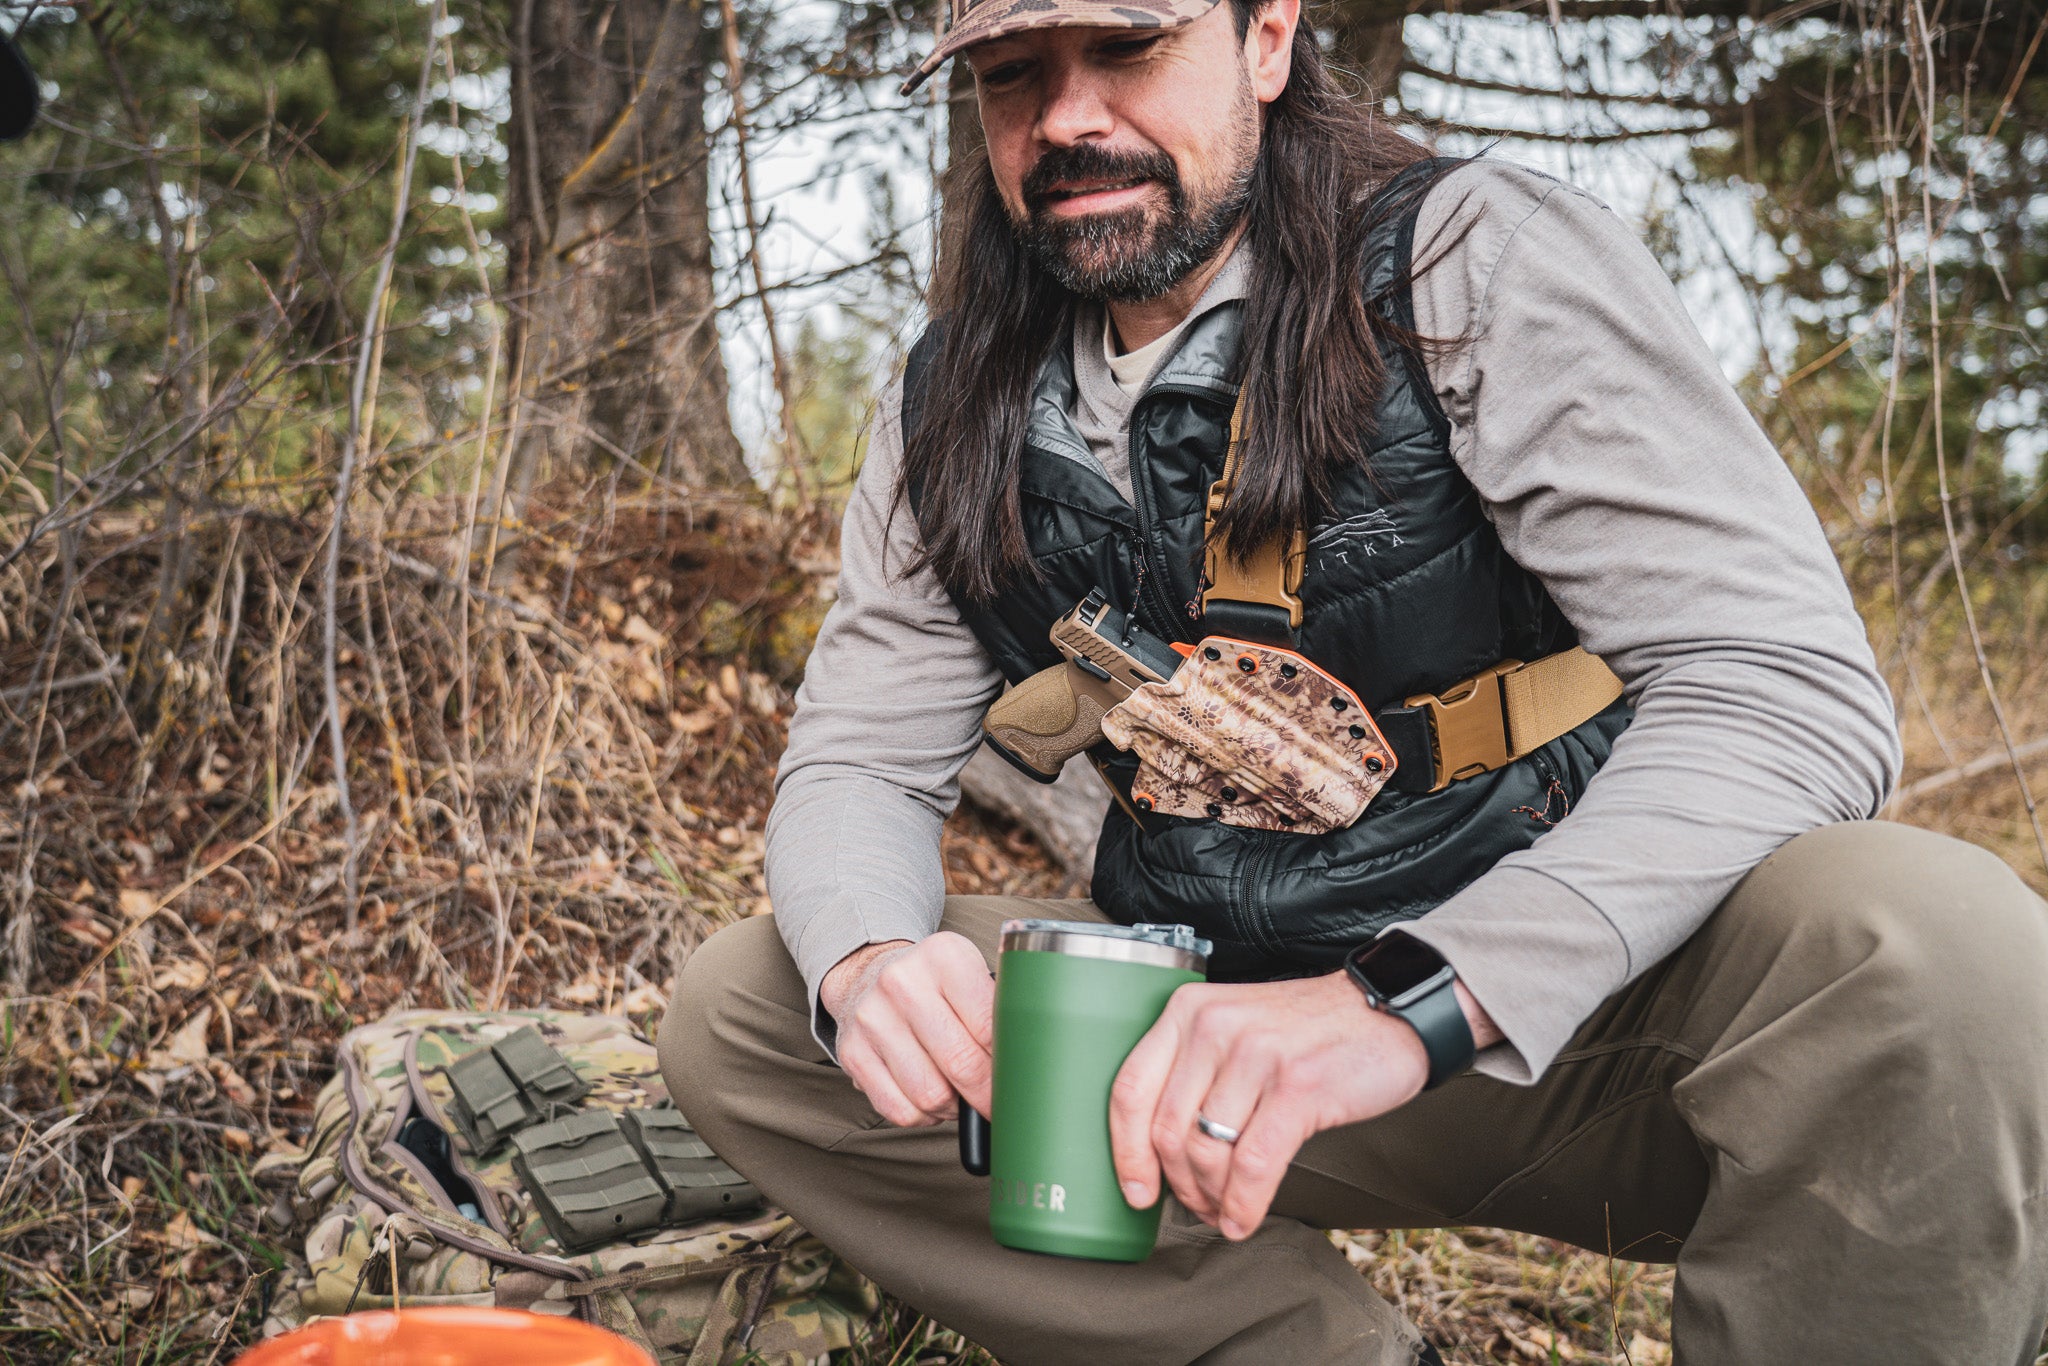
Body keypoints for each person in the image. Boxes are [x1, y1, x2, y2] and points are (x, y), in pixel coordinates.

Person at [659, 0, 2048, 1360]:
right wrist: (872, 963)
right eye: (1014, 72)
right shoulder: (949, 402)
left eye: (1129, 49)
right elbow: (857, 766)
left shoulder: (1473, 261)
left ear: (1269, 38)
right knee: (759, 1009)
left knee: (1934, 942)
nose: (1068, 118)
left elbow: (1787, 689)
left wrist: (1405, 1000)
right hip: (1205, 1046)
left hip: (1598, 1034)